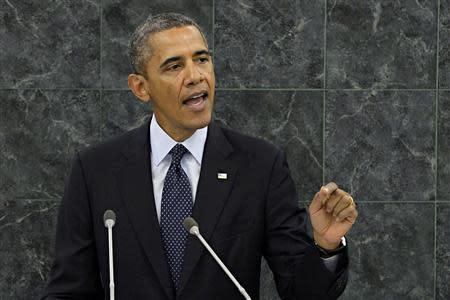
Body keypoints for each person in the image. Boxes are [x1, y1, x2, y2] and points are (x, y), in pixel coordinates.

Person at [41, 13, 358, 300]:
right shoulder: (96, 169)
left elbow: (302, 293)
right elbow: (68, 291)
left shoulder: (260, 165)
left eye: (202, 60)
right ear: (140, 87)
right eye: (175, 66)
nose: (195, 76)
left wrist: (325, 244)